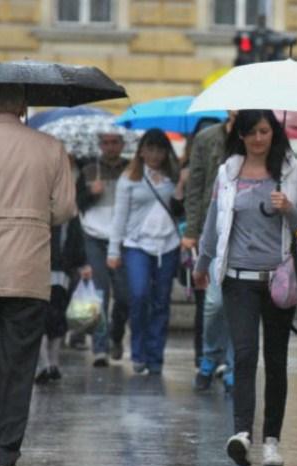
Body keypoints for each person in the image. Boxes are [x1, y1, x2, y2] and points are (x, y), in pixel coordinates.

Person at [193, 109, 297, 466]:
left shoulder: (292, 171)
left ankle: (272, 439)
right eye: (252, 133)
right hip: (238, 280)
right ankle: (242, 433)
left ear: (274, 133)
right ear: (241, 136)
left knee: (276, 361)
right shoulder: (227, 172)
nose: (259, 138)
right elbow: (214, 222)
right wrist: (202, 264)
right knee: (244, 355)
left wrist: (289, 209)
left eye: (265, 131)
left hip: (279, 280)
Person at [0, 84, 77, 466]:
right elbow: (64, 209)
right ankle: (5, 454)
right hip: (26, 268)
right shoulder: (49, 147)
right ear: (23, 105)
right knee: (18, 364)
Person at [107, 129, 185, 375]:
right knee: (139, 296)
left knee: (161, 302)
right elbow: (119, 217)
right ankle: (138, 352)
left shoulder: (173, 175)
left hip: (169, 245)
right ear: (141, 151)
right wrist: (113, 250)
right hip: (136, 244)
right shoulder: (128, 178)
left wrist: (180, 185)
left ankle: (155, 358)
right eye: (149, 149)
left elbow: (180, 209)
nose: (154, 154)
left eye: (159, 149)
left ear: (166, 152)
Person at [184, 113, 236, 391]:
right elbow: (195, 186)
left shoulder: (259, 137)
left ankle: (232, 364)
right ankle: (209, 356)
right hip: (213, 227)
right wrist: (192, 230)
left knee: (239, 306)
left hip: (246, 233)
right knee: (215, 303)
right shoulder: (207, 139)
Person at [77, 130, 130, 364]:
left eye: (114, 142)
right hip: (94, 236)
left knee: (124, 296)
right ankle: (99, 347)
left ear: (122, 144)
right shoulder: (88, 170)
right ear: (100, 144)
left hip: (124, 238)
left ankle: (116, 336)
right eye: (106, 143)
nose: (110, 147)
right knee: (99, 294)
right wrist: (90, 192)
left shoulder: (131, 169)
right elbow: (76, 202)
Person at [36, 213, 91, 383]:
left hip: (57, 269)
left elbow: (75, 236)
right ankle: (48, 362)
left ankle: (48, 363)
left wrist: (82, 263)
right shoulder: (66, 208)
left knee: (50, 316)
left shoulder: (68, 213)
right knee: (49, 316)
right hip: (49, 268)